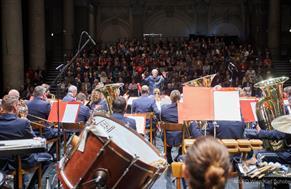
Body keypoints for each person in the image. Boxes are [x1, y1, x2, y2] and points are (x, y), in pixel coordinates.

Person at [0, 95, 52, 175]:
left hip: (2, 163)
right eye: (18, 106)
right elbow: (34, 141)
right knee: (49, 157)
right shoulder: (23, 123)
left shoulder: (22, 122)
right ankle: (32, 185)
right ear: (15, 107)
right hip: (20, 162)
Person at [161, 90, 202, 163]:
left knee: (164, 131)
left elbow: (161, 119)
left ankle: (168, 152)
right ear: (180, 98)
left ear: (170, 98)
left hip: (167, 137)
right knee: (187, 130)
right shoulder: (184, 109)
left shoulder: (164, 109)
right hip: (181, 138)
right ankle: (180, 154)